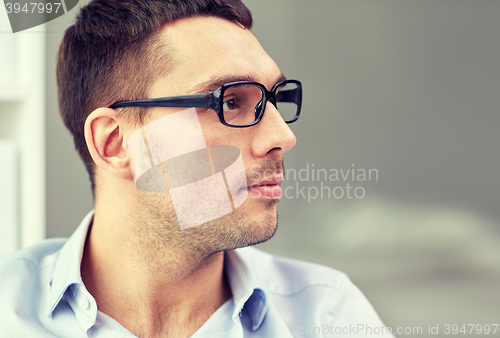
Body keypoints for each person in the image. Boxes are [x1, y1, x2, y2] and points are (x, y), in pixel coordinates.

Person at [0, 0, 393, 337]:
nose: (282, 137)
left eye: (274, 99)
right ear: (115, 143)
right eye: (230, 102)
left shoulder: (327, 314)